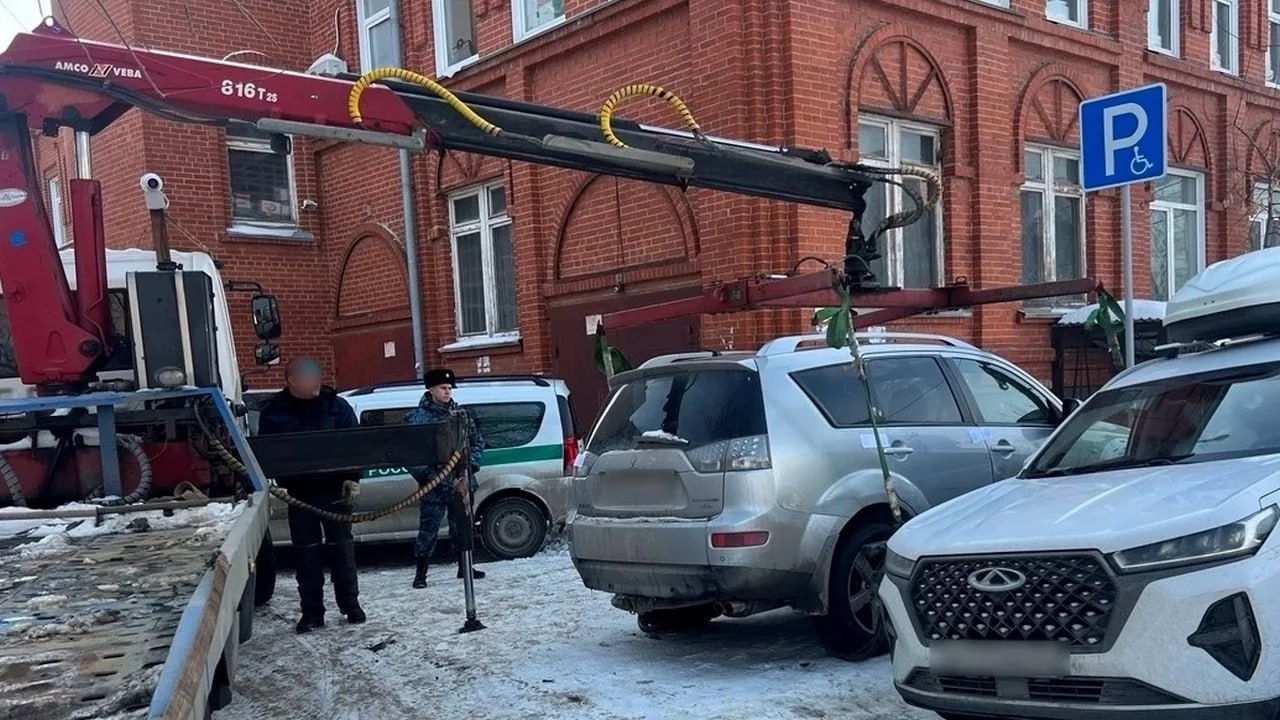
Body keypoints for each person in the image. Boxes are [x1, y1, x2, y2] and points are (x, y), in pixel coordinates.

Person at [257, 357, 366, 633]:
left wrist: (353, 478)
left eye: (316, 376)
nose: (315, 381)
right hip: (300, 493)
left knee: (342, 550)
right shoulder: (275, 412)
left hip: (335, 490)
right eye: (308, 377)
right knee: (306, 557)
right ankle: (312, 612)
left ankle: (350, 604)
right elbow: (267, 451)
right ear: (293, 380)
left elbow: (354, 444)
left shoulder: (335, 406)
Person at [404, 367, 486, 588]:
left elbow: (477, 442)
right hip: (433, 485)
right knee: (428, 530)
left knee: (463, 527)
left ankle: (465, 567)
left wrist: (473, 464)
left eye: (450, 388)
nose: (448, 392)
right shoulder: (416, 419)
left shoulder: (461, 415)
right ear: (431, 389)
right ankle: (421, 574)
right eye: (443, 388)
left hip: (462, 482)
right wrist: (428, 475)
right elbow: (409, 454)